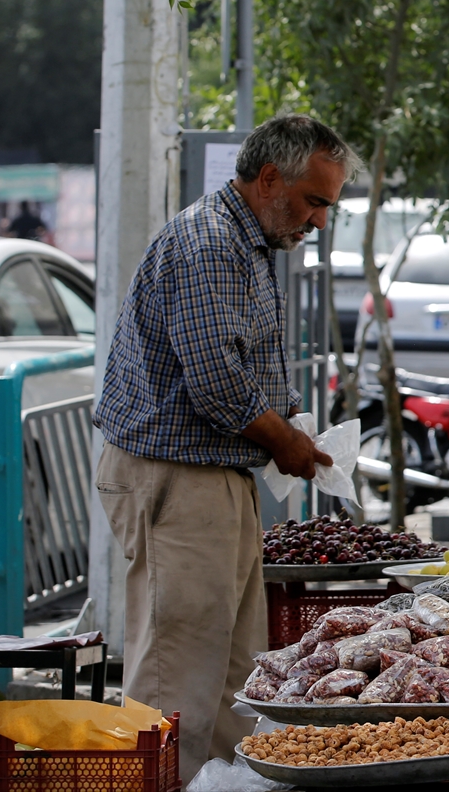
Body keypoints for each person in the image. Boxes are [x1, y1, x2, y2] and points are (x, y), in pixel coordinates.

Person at [93, 114, 363, 783]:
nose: (319, 221)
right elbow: (216, 381)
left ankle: (221, 780)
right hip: (177, 476)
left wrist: (292, 421)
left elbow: (244, 363)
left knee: (232, 674)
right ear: (269, 179)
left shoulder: (246, 243)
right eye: (314, 202)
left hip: (214, 474)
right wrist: (287, 442)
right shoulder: (210, 242)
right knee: (179, 670)